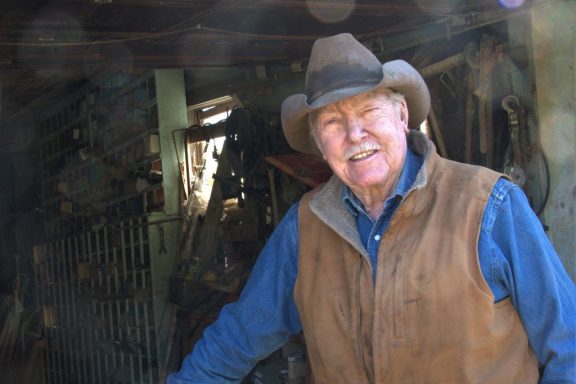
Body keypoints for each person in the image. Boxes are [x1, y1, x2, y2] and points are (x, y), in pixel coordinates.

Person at [167, 33, 576, 383]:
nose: (354, 134)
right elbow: (237, 338)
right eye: (331, 122)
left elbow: (568, 346)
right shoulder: (305, 227)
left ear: (402, 116)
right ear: (318, 143)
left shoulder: (490, 205)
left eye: (368, 110)